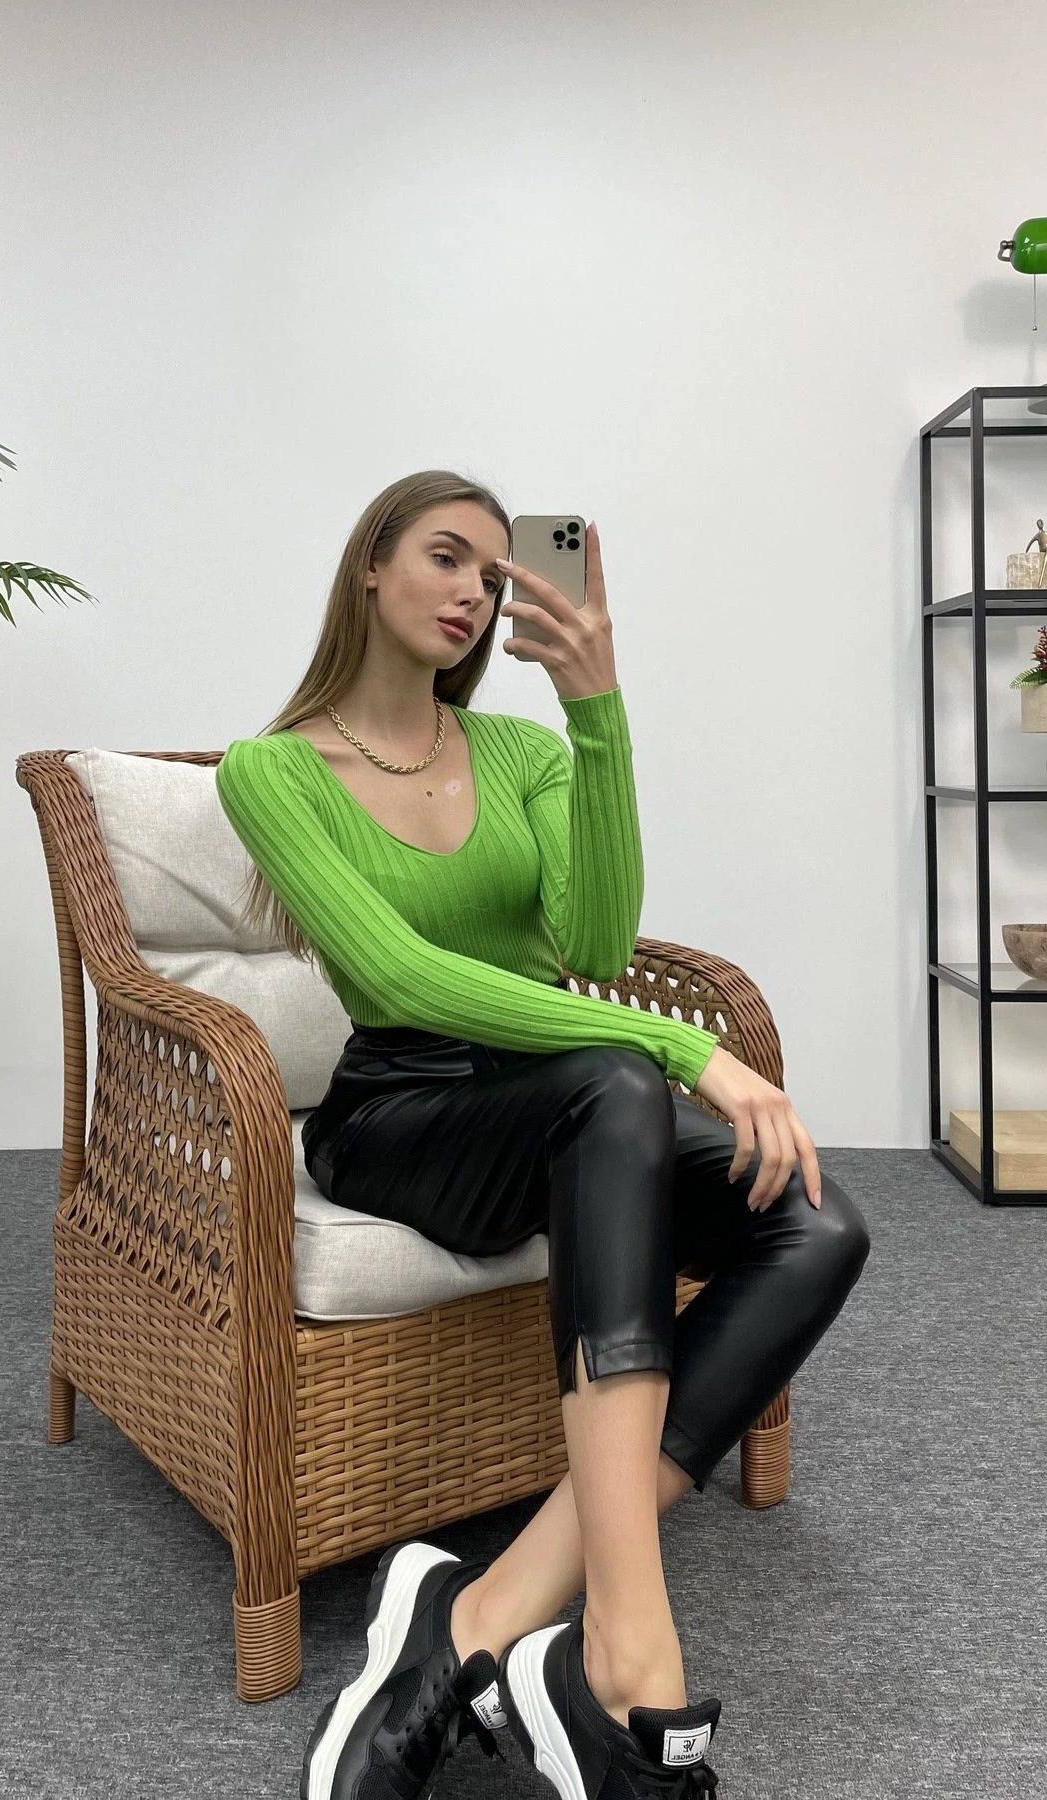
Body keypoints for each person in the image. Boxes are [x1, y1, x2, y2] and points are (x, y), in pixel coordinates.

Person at [215, 471, 871, 1800]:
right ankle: (631, 1647)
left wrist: (597, 714)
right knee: (618, 1079)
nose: (472, 590)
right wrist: (686, 1050)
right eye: (443, 556)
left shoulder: (521, 755)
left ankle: (479, 1613)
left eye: (492, 570)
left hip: (572, 1100)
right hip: (403, 1112)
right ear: (369, 569)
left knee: (817, 1225)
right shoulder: (271, 770)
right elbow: (396, 979)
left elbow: (596, 945)